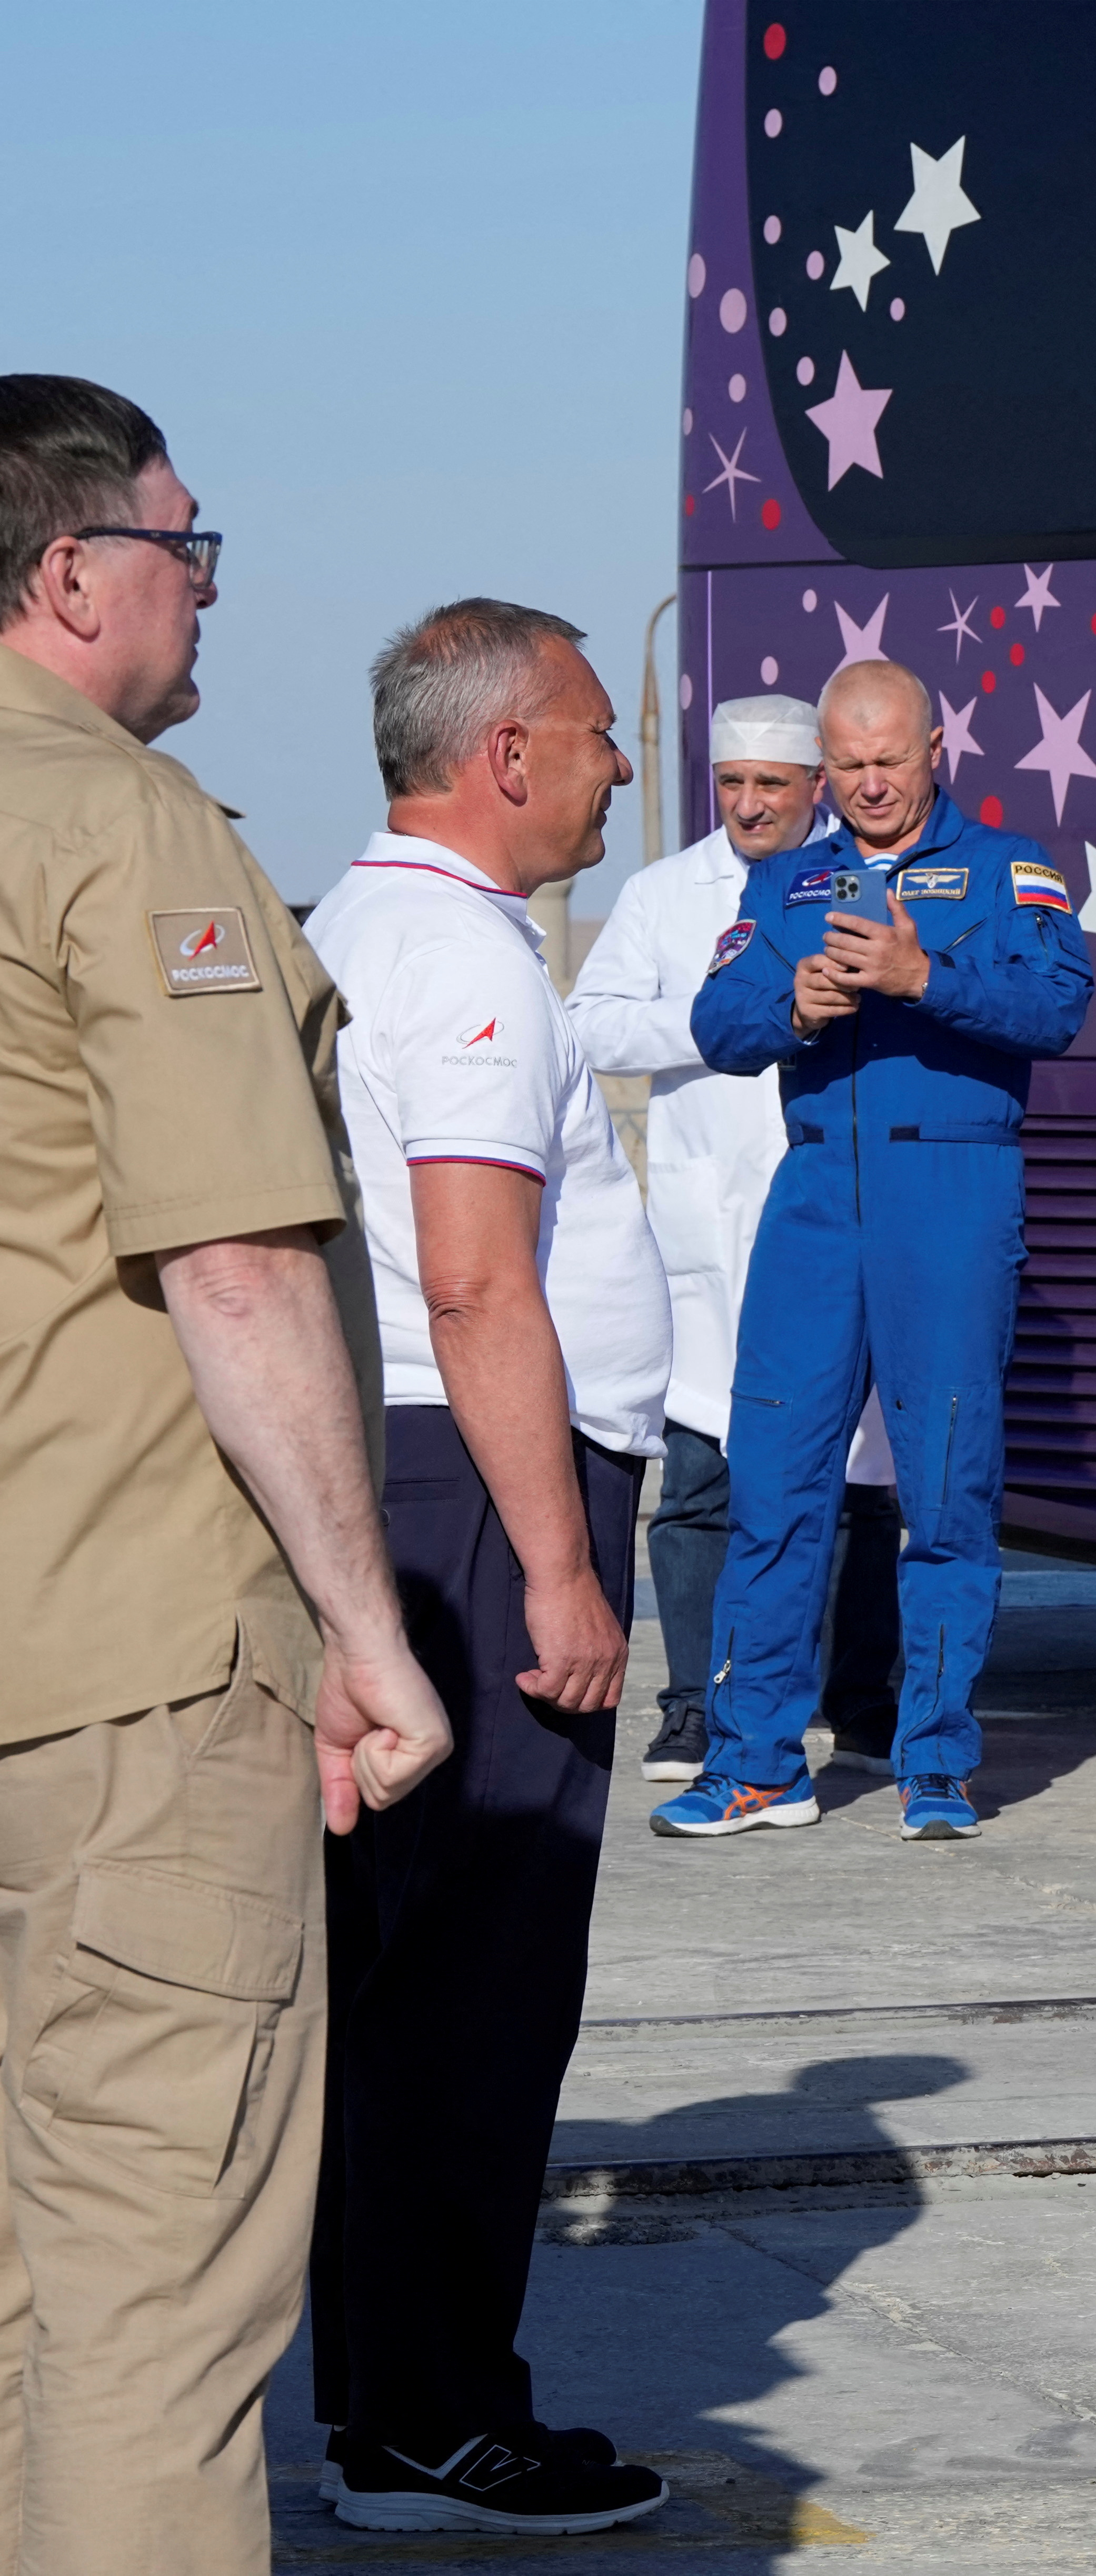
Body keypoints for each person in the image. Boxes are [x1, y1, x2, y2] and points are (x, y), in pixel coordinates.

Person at [0, 373, 453, 2573]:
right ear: (74, 569)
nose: (207, 593)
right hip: (125, 1673)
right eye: (190, 547)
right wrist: (368, 1634)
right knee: (151, 2310)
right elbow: (237, 1259)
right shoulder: (121, 821)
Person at [304, 597, 673, 2535]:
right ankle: (440, 2417)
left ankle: (382, 2398)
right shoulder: (465, 959)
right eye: (601, 730)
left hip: (402, 1471)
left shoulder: (348, 918)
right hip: (474, 1483)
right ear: (504, 750)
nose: (623, 762)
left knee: (386, 1974)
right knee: (476, 1974)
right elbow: (472, 1276)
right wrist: (563, 1570)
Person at [649, 660, 1093, 1844]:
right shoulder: (788, 877)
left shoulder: (1009, 869)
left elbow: (1059, 1005)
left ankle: (935, 1758)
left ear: (937, 747)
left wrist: (921, 976)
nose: (867, 784)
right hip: (814, 1203)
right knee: (775, 1478)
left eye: (887, 759)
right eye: (844, 765)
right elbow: (714, 1022)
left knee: (947, 1487)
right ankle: (756, 1761)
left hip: (950, 1191)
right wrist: (792, 1003)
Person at [562, 695, 901, 1787]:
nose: (750, 804)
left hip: (833, 1212)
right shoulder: (664, 895)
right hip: (706, 1235)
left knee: (854, 1482)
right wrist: (720, 1020)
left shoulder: (864, 879)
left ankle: (855, 1700)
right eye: (732, 784)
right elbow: (595, 1023)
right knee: (704, 1480)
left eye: (773, 783)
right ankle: (693, 1706)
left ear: (818, 785)